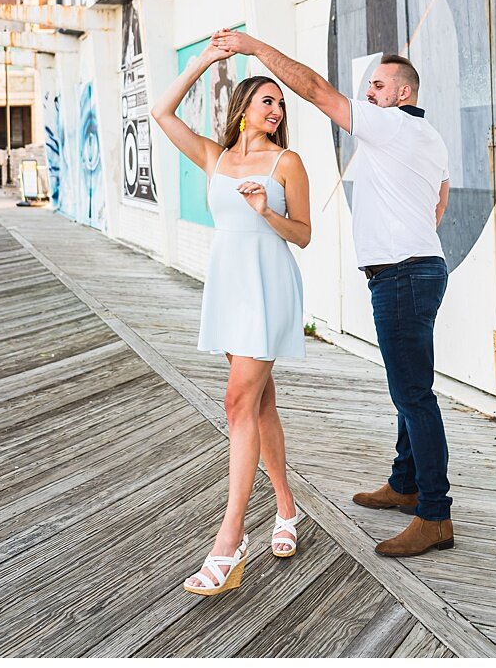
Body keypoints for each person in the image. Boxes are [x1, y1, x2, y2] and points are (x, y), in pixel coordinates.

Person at [212, 30, 453, 559]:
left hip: (402, 274)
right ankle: (405, 482)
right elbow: (442, 196)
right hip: (419, 266)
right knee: (408, 385)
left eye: (378, 85)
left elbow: (317, 90)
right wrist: (418, 235)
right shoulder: (427, 136)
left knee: (414, 394)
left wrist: (257, 48)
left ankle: (434, 513)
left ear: (403, 94)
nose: (368, 92)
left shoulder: (390, 126)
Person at [149, 42, 310, 596]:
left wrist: (268, 212)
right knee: (260, 403)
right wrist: (202, 64)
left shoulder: (286, 163)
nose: (276, 111)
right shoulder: (215, 158)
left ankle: (230, 541)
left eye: (281, 106)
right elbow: (161, 112)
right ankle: (287, 512)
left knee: (237, 403)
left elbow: (305, 236)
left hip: (268, 289)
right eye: (268, 101)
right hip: (228, 288)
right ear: (243, 106)